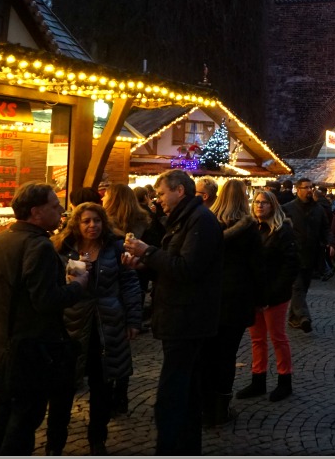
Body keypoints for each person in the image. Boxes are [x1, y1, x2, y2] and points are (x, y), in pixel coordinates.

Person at [0, 182, 90, 456]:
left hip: (2, 342)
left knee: (3, 412)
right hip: (31, 348)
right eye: (54, 206)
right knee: (23, 419)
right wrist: (77, 286)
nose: (61, 211)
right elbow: (45, 301)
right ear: (36, 212)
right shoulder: (37, 246)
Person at [122, 169, 224, 455]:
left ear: (179, 191)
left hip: (188, 318)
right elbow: (176, 264)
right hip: (180, 314)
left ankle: (169, 448)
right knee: (187, 389)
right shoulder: (184, 220)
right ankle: (185, 447)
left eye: (162, 193)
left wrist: (147, 252)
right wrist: (145, 264)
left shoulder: (200, 221)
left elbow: (188, 269)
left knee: (173, 391)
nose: (158, 200)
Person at [47, 203, 142, 456]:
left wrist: (133, 320)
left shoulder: (114, 248)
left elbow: (130, 284)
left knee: (102, 387)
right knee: (63, 388)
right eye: (86, 221)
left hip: (107, 325)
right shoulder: (63, 248)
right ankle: (54, 443)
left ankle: (97, 440)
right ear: (76, 224)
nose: (92, 226)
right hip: (72, 326)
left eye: (97, 220)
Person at [199, 179, 262, 427]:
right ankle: (220, 408)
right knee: (227, 355)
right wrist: (260, 299)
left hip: (209, 296)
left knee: (207, 353)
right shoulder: (249, 229)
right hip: (236, 299)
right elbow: (257, 266)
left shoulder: (208, 224)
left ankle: (205, 407)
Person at [237, 188, 299, 402]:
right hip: (254, 294)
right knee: (257, 339)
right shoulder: (250, 228)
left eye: (264, 202)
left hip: (275, 294)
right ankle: (258, 379)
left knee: (278, 337)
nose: (259, 205)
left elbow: (290, 265)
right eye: (256, 202)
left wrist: (274, 293)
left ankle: (285, 380)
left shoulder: (283, 230)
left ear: (273, 205)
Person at [281, 178, 331, 333]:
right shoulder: (287, 208)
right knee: (297, 287)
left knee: (304, 287)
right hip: (292, 255)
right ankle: (304, 317)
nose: (310, 190)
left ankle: (293, 318)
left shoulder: (318, 209)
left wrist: (329, 243)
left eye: (311, 187)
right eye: (306, 187)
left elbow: (325, 228)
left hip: (311, 254)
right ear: (298, 189)